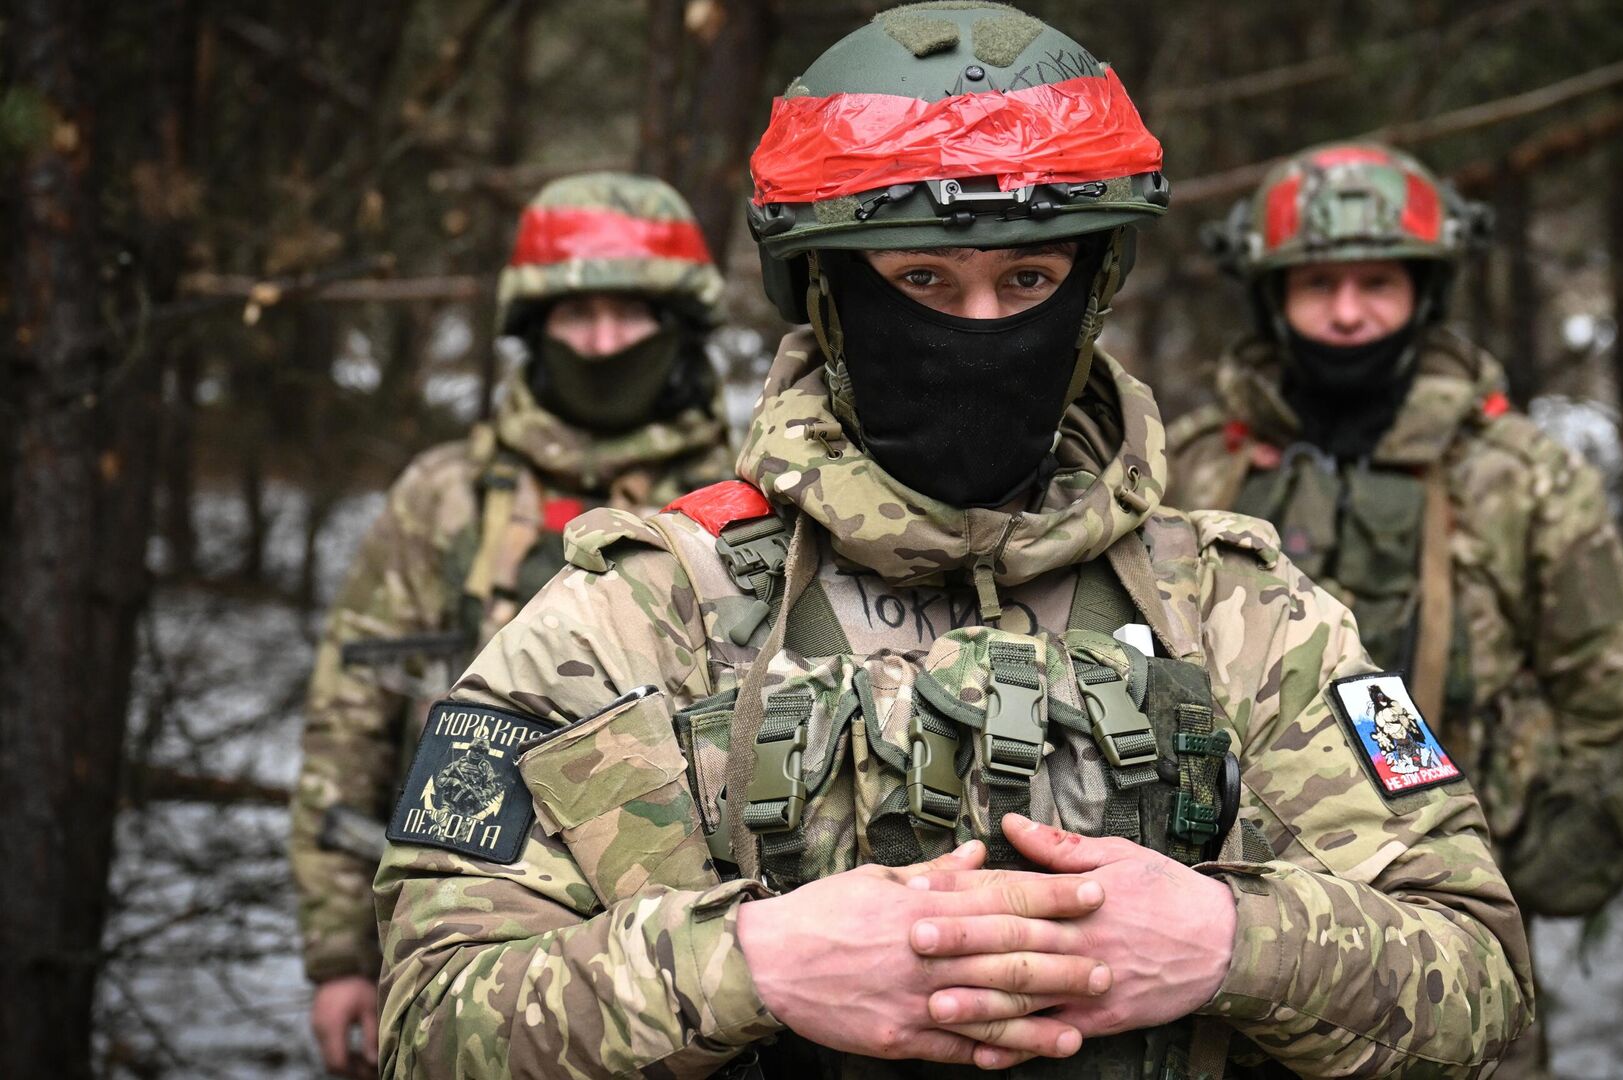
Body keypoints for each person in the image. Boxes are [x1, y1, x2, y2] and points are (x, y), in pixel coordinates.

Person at [374, 8, 1533, 1078]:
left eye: (1028, 279)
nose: (981, 331)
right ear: (829, 300)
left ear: (1089, 296)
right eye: (922, 279)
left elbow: (1479, 975)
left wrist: (1233, 942)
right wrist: (752, 967)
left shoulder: (1243, 611)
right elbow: (430, 1021)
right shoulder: (643, 611)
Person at [1167, 141, 1623, 1078]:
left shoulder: (1517, 473)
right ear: (1272, 296)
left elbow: (1610, 679)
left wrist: (1528, 797)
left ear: (1424, 293)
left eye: (1379, 283)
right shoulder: (1194, 465)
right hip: (1224, 909)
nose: (1349, 312)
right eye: (1319, 284)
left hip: (1444, 908)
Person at [288, 172, 736, 1078]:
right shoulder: (446, 499)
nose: (602, 343)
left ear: (679, 330)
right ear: (534, 330)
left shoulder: (741, 503)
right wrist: (340, 958)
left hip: (699, 976)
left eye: (630, 316)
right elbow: (351, 721)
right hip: (467, 965)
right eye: (577, 316)